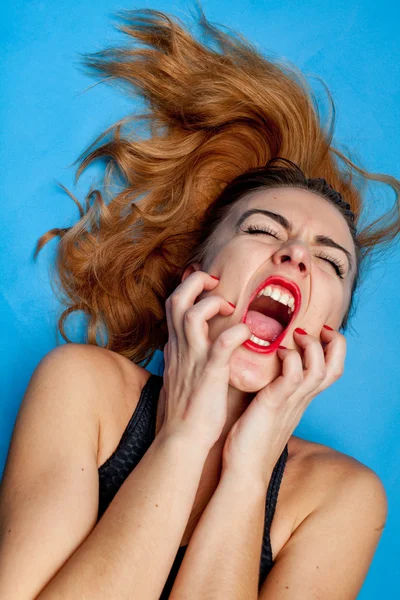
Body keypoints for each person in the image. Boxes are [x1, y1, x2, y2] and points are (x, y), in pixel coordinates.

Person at [0, 8, 398, 600]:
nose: (295, 256)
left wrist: (250, 467)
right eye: (264, 230)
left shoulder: (340, 498)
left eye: (331, 261)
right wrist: (183, 439)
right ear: (197, 278)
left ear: (331, 331)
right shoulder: (82, 388)